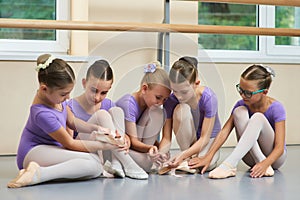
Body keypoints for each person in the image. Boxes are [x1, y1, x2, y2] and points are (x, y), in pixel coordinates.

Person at [7, 54, 124, 188]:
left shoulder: (55, 100)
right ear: (44, 89)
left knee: (95, 162)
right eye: (63, 94)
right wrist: (106, 145)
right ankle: (38, 173)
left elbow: (73, 121)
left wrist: (96, 128)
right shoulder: (42, 113)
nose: (68, 97)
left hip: (51, 149)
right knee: (95, 166)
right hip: (33, 152)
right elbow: (70, 143)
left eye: (69, 92)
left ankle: (38, 172)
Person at [188, 64, 287, 179]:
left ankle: (230, 164)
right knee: (239, 111)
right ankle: (258, 158)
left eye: (248, 93)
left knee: (258, 117)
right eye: (241, 89)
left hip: (274, 159)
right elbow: (224, 132)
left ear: (264, 92)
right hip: (251, 159)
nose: (242, 95)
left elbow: (279, 148)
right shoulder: (241, 104)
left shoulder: (276, 108)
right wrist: (208, 156)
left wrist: (265, 164)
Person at [67, 59, 148, 179]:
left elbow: (122, 136)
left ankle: (116, 163)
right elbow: (69, 144)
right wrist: (95, 138)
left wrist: (126, 141)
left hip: (108, 153)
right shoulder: (70, 107)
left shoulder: (109, 104)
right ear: (84, 83)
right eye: (93, 90)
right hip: (86, 151)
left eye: (103, 92)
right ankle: (128, 164)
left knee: (117, 111)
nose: (97, 97)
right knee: (102, 115)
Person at [158, 56, 221, 174]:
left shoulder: (208, 98)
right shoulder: (171, 101)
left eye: (184, 91)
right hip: (189, 142)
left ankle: (186, 159)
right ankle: (186, 158)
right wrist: (160, 155)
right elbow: (166, 137)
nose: (179, 96)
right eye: (175, 91)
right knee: (182, 109)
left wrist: (181, 155)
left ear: (196, 83)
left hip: (208, 141)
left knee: (204, 164)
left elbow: (204, 138)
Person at [115, 61, 171, 172]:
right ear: (144, 89)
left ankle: (147, 159)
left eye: (164, 99)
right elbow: (134, 142)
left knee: (159, 112)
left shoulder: (149, 105)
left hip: (136, 149)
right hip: (123, 149)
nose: (160, 102)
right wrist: (151, 149)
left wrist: (159, 149)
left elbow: (148, 136)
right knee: (146, 162)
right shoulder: (129, 103)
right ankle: (123, 163)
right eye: (158, 97)